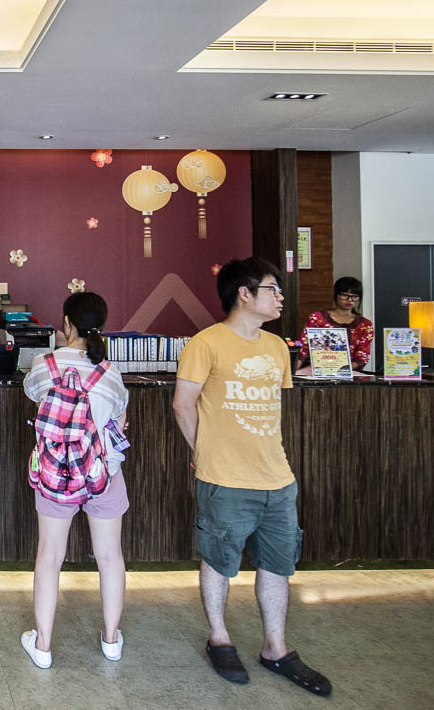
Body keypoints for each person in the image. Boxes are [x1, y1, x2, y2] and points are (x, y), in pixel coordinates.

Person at [172, 257, 331, 697]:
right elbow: (183, 405)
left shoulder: (277, 347)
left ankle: (275, 648)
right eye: (271, 289)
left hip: (277, 477)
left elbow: (271, 409)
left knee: (277, 564)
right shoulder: (206, 343)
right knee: (218, 559)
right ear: (244, 293)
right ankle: (219, 639)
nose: (280, 297)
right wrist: (203, 452)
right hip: (224, 477)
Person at [20, 291, 129, 669]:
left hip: (55, 474)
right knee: (110, 557)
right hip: (103, 473)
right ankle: (111, 640)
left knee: (49, 557)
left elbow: (34, 396)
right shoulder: (110, 373)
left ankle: (43, 645)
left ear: (66, 323)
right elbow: (120, 418)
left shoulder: (43, 364)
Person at [297, 276, 373, 371]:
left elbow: (362, 357)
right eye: (344, 295)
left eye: (354, 296)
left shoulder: (365, 324)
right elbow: (303, 349)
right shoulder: (317, 318)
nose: (349, 300)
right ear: (336, 294)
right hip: (317, 370)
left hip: (350, 372)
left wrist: (341, 369)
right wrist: (292, 372)